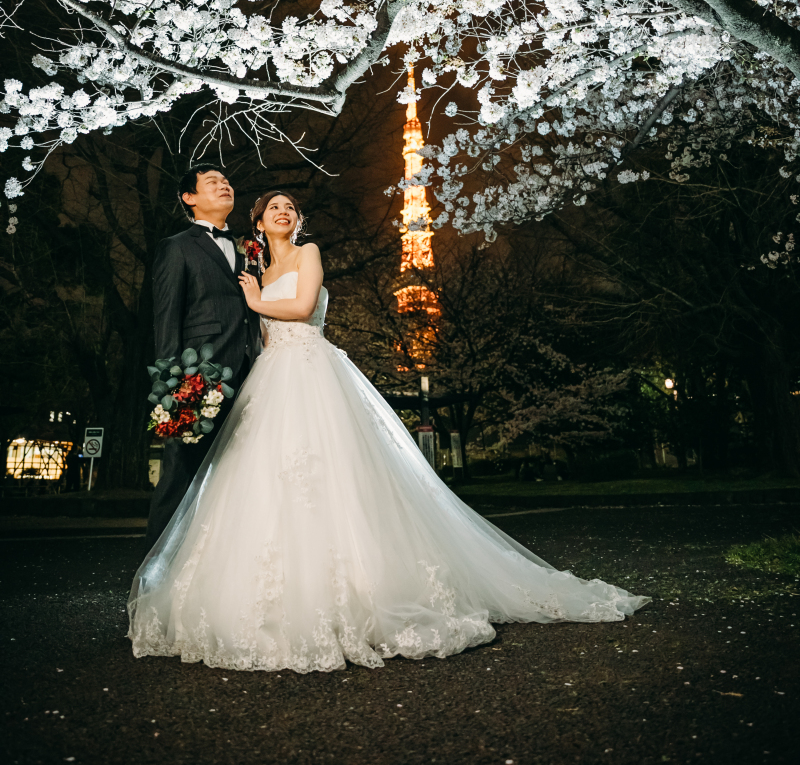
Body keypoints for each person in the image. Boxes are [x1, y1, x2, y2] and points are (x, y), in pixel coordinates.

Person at [129, 189, 649, 672]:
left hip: (313, 371)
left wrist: (255, 300)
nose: (283, 213)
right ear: (258, 222)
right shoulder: (256, 265)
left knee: (334, 476)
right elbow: (257, 335)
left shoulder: (305, 255)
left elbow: (303, 308)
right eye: (273, 209)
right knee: (263, 482)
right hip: (271, 378)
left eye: (290, 207)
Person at [143, 163, 262, 549]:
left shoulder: (249, 251)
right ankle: (151, 576)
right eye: (213, 182)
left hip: (254, 377)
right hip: (198, 380)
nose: (225, 186)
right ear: (189, 198)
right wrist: (170, 389)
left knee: (244, 477)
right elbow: (166, 321)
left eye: (227, 181)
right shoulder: (176, 247)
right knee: (180, 475)